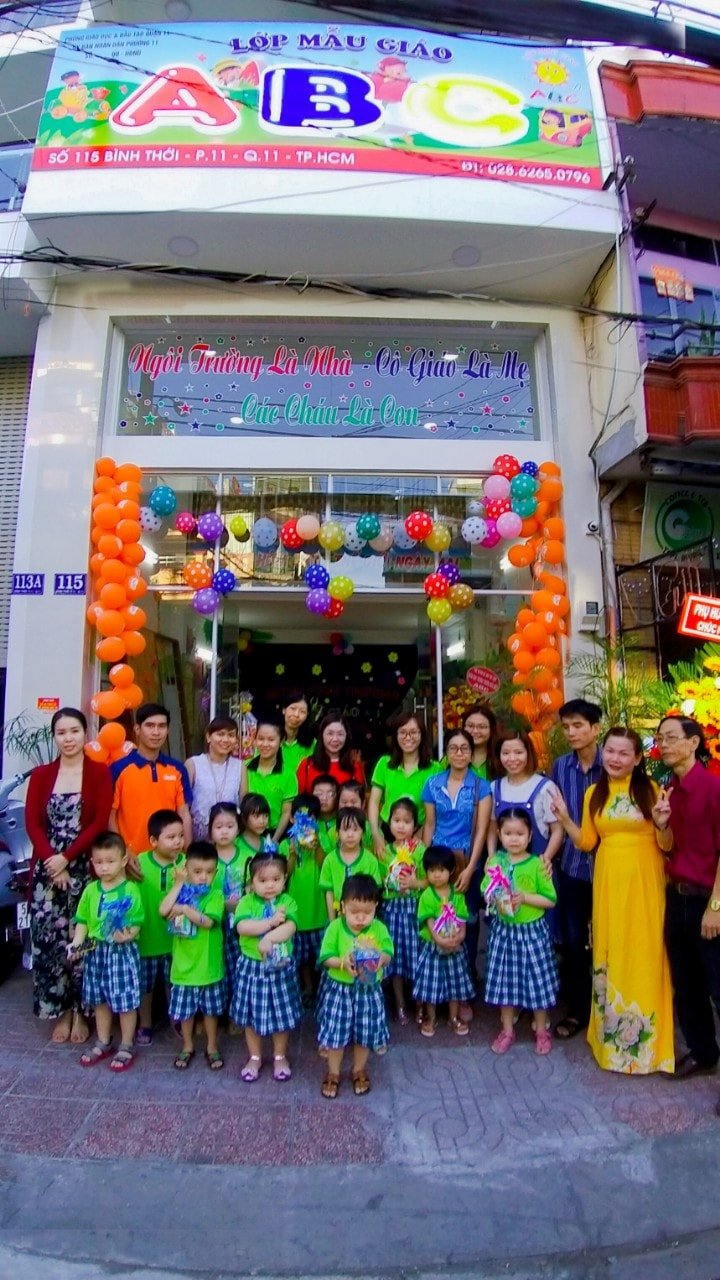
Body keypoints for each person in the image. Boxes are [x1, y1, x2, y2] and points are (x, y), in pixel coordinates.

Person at [553, 727, 674, 1075]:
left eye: (623, 753)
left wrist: (663, 825)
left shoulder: (651, 790)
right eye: (610, 751)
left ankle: (648, 1048)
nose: (615, 759)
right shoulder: (594, 793)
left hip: (644, 884)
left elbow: (667, 845)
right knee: (611, 950)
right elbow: (587, 843)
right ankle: (613, 1044)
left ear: (637, 758)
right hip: (608, 884)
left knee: (644, 953)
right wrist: (565, 819)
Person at [25, 706, 113, 1043]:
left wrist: (67, 858)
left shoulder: (99, 773)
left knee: (83, 941)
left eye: (74, 731)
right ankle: (59, 1011)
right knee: (49, 943)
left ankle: (81, 1012)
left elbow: (99, 821)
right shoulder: (41, 775)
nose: (68, 738)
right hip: (48, 870)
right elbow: (33, 823)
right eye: (61, 733)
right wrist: (52, 860)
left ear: (85, 733)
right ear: (55, 737)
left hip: (84, 867)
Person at [652, 716, 720, 1085]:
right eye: (660, 738)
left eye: (671, 738)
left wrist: (716, 907)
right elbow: (667, 848)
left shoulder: (713, 788)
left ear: (694, 743)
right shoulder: (669, 791)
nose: (664, 745)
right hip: (676, 898)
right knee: (687, 984)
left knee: (718, 987)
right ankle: (703, 1052)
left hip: (707, 899)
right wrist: (661, 824)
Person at [422, 728, 491, 1013]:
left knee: (467, 923)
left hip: (465, 862)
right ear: (446, 753)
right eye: (453, 748)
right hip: (437, 862)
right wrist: (424, 864)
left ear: (472, 754)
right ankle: (437, 991)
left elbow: (482, 830)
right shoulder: (432, 783)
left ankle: (463, 992)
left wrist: (472, 867)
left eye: (464, 748)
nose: (459, 753)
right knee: (435, 920)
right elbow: (429, 825)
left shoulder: (481, 786)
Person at [482, 808, 559, 1055]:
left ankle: (541, 1030)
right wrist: (496, 897)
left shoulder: (537, 864)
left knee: (538, 982)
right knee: (505, 982)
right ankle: (507, 1030)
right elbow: (486, 891)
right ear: (499, 834)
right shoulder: (496, 862)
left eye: (519, 834)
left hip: (532, 932)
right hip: (504, 931)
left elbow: (550, 899)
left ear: (530, 835)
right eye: (508, 833)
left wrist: (525, 898)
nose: (513, 839)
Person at [70, 831, 144, 1073]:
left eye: (110, 861)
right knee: (99, 999)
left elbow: (137, 921)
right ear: (92, 862)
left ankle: (127, 1043)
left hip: (121, 951)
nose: (104, 867)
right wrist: (77, 944)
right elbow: (82, 921)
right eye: (99, 862)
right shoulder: (91, 890)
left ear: (123, 860)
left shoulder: (130, 889)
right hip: (95, 950)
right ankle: (103, 1041)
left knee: (125, 1000)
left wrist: (128, 934)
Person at [551, 699, 603, 1039]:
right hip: (571, 866)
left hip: (608, 868)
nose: (571, 733)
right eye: (567, 727)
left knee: (607, 941)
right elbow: (555, 816)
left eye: (578, 726)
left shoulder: (612, 763)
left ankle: (608, 1010)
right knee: (572, 942)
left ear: (595, 728)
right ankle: (578, 1011)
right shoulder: (559, 767)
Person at [317, 874, 394, 1099]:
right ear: (342, 907)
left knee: (364, 1031)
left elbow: (388, 952)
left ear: (376, 907)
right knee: (336, 1033)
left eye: (367, 912)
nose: (361, 918)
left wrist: (380, 958)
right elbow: (325, 957)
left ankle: (359, 1069)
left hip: (368, 990)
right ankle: (333, 1071)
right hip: (339, 990)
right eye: (354, 912)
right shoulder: (335, 928)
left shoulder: (378, 928)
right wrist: (342, 962)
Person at [231, 847, 302, 1083]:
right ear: (251, 882)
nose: (270, 885)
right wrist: (269, 923)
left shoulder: (288, 901)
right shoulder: (246, 902)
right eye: (262, 880)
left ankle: (280, 1056)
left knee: (281, 1013)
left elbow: (290, 927)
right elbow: (242, 927)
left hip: (280, 966)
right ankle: (255, 1056)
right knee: (251, 1015)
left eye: (276, 879)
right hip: (252, 967)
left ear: (284, 879)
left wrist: (270, 938)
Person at [160, 841, 226, 1071]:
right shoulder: (180, 892)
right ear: (186, 869)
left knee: (210, 1012)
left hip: (208, 967)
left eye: (209, 872)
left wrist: (185, 910)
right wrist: (179, 883)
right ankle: (187, 1045)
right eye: (197, 871)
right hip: (183, 968)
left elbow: (208, 922)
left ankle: (211, 1045)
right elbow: (163, 910)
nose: (203, 877)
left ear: (216, 872)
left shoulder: (216, 895)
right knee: (185, 1013)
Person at [109, 704, 192, 858]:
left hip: (169, 858)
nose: (156, 732)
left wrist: (187, 853)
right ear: (137, 729)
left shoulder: (177, 769)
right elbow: (110, 816)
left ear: (167, 730)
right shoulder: (118, 768)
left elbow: (184, 814)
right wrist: (123, 852)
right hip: (131, 857)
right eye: (149, 726)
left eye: (162, 726)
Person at [135, 809, 185, 1045]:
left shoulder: (186, 864)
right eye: (171, 837)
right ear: (154, 841)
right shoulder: (139, 862)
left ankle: (176, 1020)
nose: (178, 841)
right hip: (146, 938)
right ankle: (145, 1023)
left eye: (181, 836)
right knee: (145, 986)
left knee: (173, 982)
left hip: (175, 940)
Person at [413, 845, 474, 1038]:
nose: (437, 875)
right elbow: (429, 921)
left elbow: (462, 919)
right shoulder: (427, 895)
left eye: (441, 870)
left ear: (451, 870)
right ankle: (431, 1017)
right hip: (433, 946)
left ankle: (453, 1017)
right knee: (431, 984)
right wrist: (439, 939)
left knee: (455, 984)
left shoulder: (457, 895)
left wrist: (460, 937)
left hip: (455, 946)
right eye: (432, 871)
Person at [377, 798, 426, 1024]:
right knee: (395, 958)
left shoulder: (420, 850)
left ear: (415, 825)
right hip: (392, 910)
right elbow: (379, 881)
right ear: (389, 823)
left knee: (417, 956)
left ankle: (420, 1002)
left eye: (407, 821)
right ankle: (399, 1003)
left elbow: (429, 881)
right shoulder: (384, 851)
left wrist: (415, 883)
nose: (401, 825)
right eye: (396, 820)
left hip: (413, 909)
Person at [281, 793, 328, 1006]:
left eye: (311, 818)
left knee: (321, 955)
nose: (306, 822)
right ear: (292, 818)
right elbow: (283, 876)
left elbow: (326, 866)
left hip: (318, 909)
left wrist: (316, 846)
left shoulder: (322, 838)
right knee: (301, 960)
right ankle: (307, 988)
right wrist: (292, 854)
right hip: (296, 912)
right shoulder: (285, 844)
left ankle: (322, 992)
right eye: (301, 817)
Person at [368, 711, 435, 856]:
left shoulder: (434, 769)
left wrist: (419, 836)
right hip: (387, 833)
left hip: (419, 833)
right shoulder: (384, 764)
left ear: (422, 735)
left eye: (413, 732)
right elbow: (374, 802)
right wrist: (376, 834)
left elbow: (437, 809)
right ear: (395, 735)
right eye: (403, 732)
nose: (408, 737)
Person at [208, 801, 250, 1008]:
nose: (224, 831)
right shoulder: (205, 857)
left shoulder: (248, 857)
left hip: (239, 922)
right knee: (216, 964)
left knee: (237, 966)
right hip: (211, 922)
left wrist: (241, 904)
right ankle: (218, 1011)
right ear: (210, 830)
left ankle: (236, 1009)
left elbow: (252, 888)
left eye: (230, 826)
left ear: (238, 828)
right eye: (218, 826)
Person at [185, 716, 245, 840]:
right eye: (220, 734)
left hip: (229, 837)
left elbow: (243, 803)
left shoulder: (240, 766)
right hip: (199, 838)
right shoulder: (193, 764)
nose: (226, 739)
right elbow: (184, 807)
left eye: (231, 735)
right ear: (208, 737)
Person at [319, 808, 382, 921]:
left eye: (355, 829)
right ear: (337, 833)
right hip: (338, 916)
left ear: (363, 833)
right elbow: (329, 893)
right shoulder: (330, 860)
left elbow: (374, 893)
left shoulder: (370, 860)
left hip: (363, 917)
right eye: (345, 829)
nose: (350, 835)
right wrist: (332, 922)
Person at [245, 719, 298, 841]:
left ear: (281, 741)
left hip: (275, 833)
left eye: (271, 740)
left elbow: (286, 813)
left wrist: (274, 841)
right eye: (261, 739)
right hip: (247, 834)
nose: (265, 744)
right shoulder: (245, 768)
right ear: (255, 739)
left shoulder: (288, 775)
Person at [297, 712, 365, 792]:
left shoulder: (354, 766)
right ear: (322, 735)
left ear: (347, 736)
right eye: (330, 733)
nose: (335, 739)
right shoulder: (306, 765)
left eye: (340, 734)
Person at [279, 690, 315, 777]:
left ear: (307, 715)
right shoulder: (269, 739)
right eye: (293, 708)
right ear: (284, 710)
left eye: (302, 711)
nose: (296, 714)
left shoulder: (312, 743)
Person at [462, 703, 499, 780]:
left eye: (481, 727)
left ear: (491, 730)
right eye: (470, 726)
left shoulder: (501, 758)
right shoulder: (452, 757)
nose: (475, 731)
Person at [312, 774, 339, 856]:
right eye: (319, 794)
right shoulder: (309, 823)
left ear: (337, 796)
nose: (324, 798)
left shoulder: (342, 822)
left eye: (330, 794)